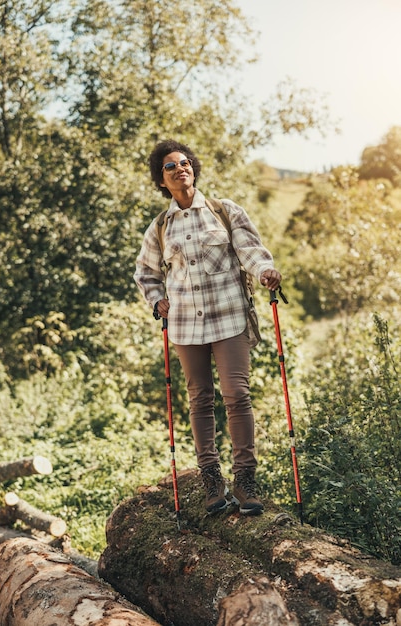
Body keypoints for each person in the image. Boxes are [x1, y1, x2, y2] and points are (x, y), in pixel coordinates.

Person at [134, 139, 281, 516]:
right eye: (171, 166)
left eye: (185, 162)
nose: (181, 168)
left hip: (229, 315)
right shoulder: (161, 227)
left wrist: (265, 271)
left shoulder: (224, 211)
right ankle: (211, 479)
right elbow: (145, 273)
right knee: (199, 399)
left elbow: (251, 252)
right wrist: (156, 300)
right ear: (161, 180)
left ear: (193, 168)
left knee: (236, 394)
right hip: (185, 324)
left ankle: (245, 480)